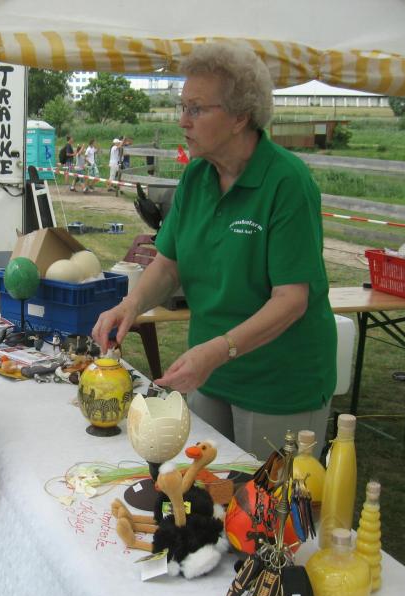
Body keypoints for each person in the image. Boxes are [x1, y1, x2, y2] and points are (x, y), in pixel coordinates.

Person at [92, 43, 337, 460]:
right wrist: (130, 306)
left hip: (279, 384)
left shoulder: (286, 182)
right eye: (182, 107)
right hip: (208, 374)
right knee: (207, 486)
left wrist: (219, 351)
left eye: (196, 109)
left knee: (266, 500)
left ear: (240, 116)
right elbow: (168, 266)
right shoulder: (196, 176)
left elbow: (292, 300)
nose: (183, 121)